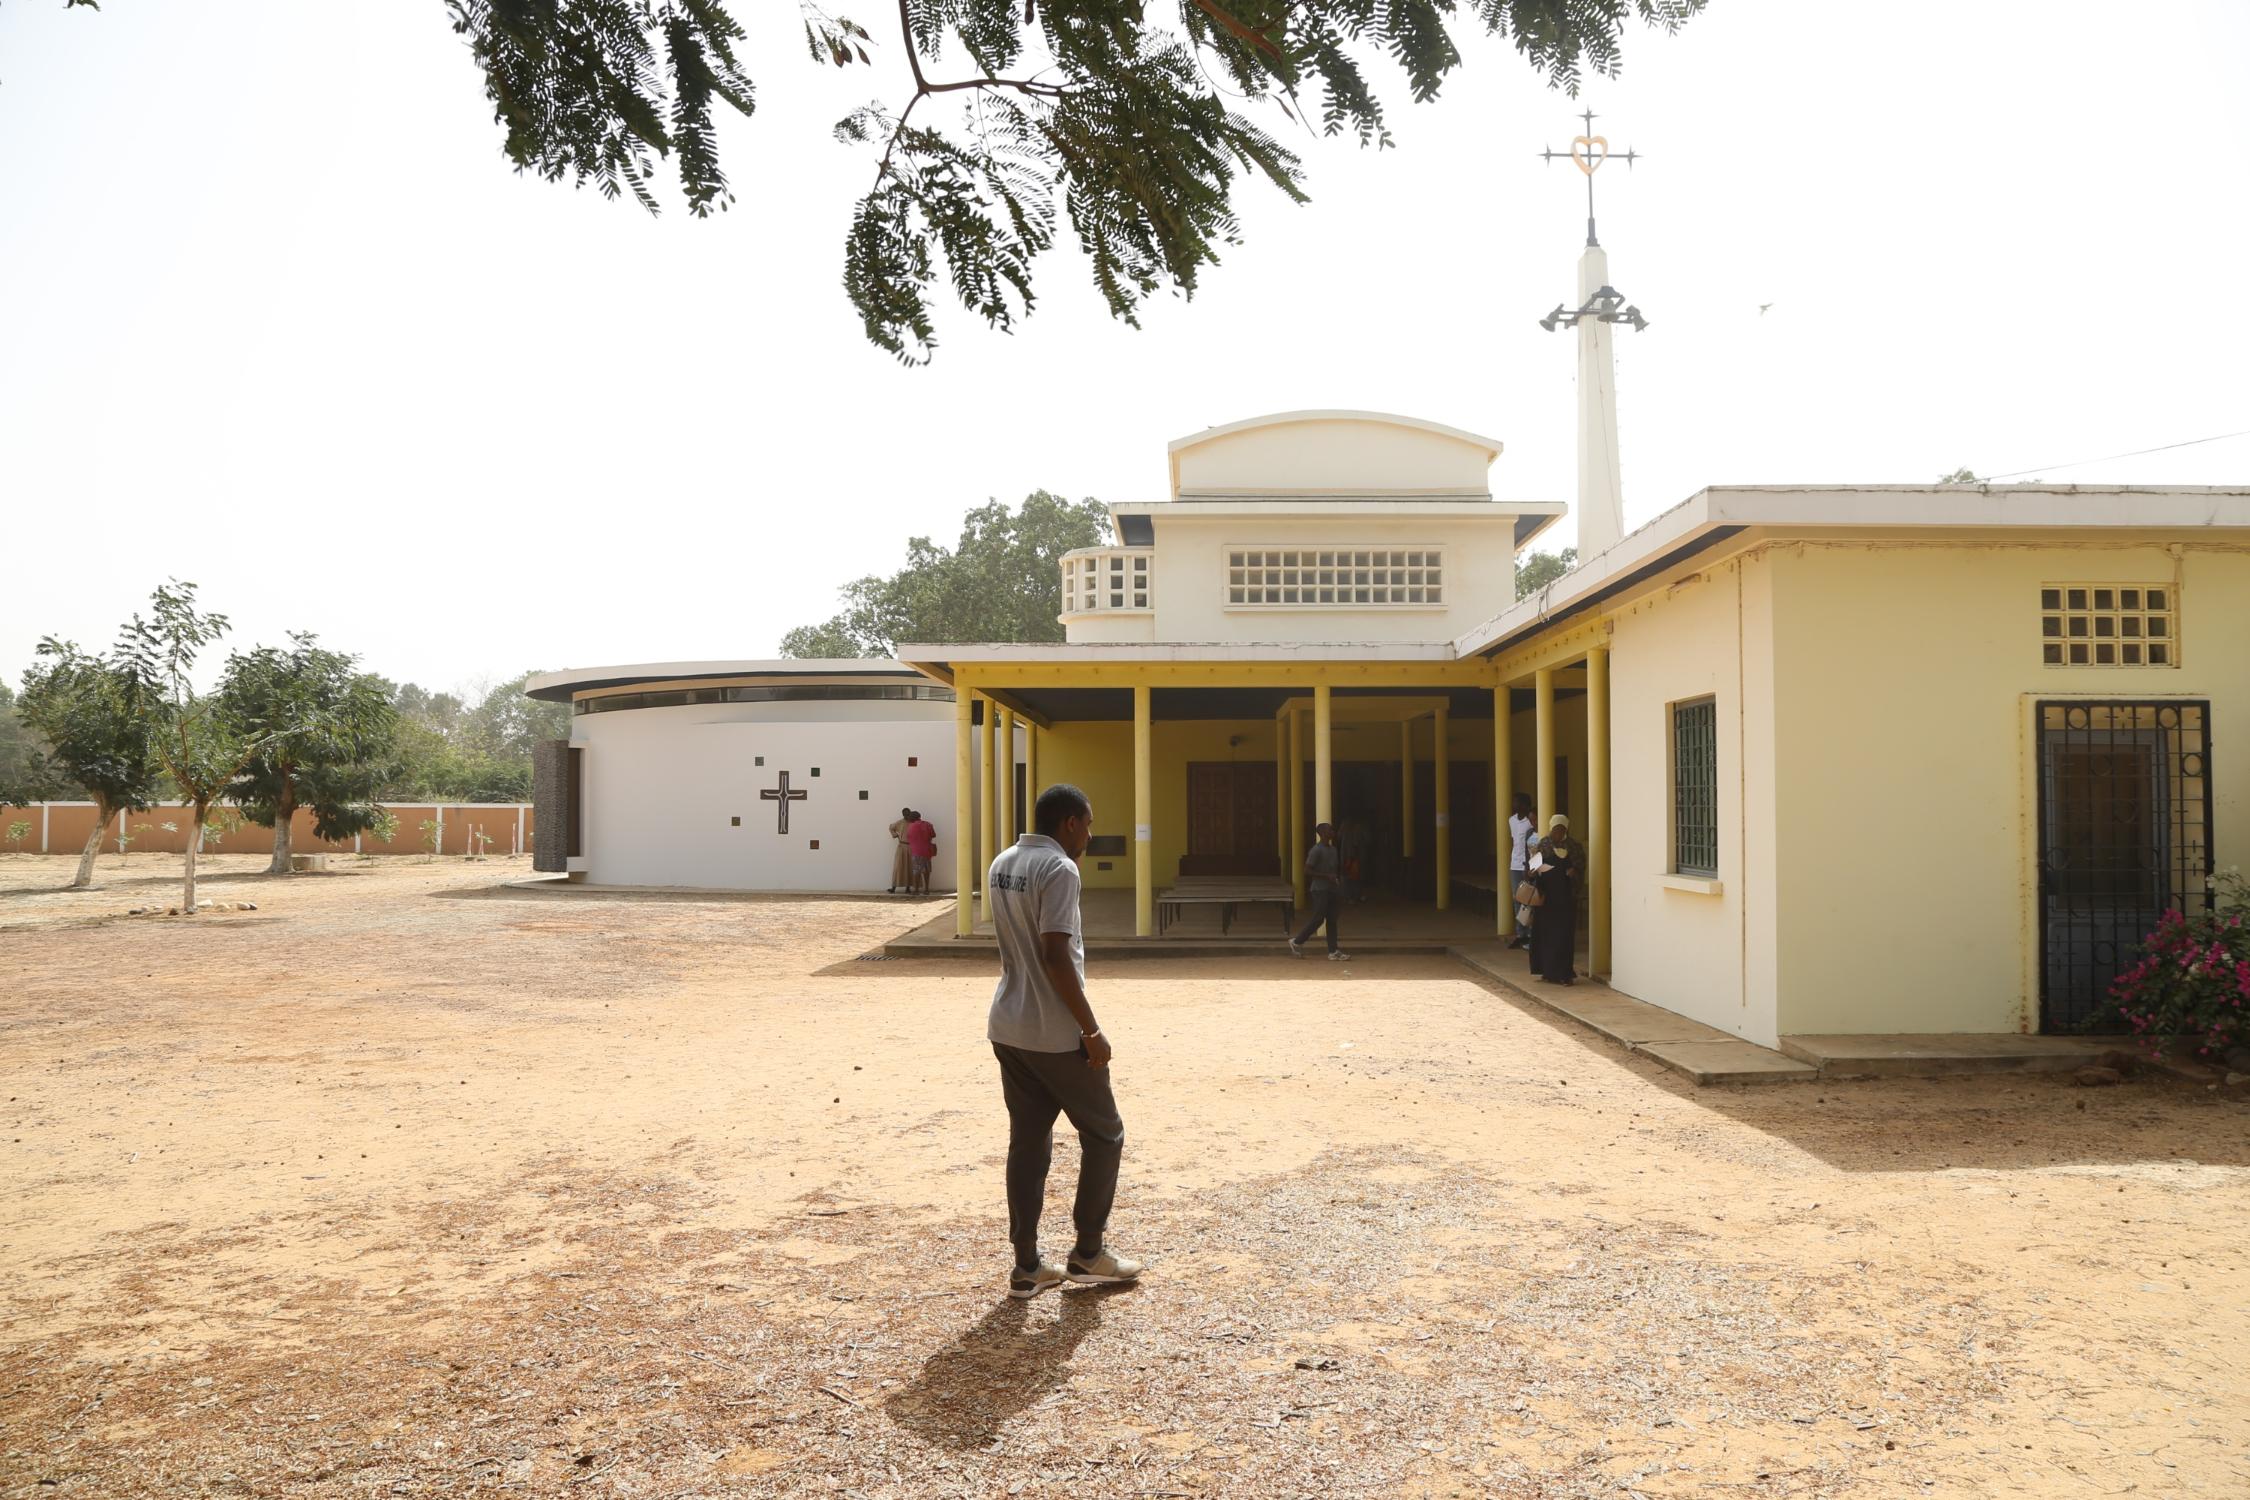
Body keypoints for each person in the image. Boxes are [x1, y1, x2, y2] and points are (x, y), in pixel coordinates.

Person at [986, 782, 1143, 1299]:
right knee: (1105, 1133)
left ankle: (1028, 1266)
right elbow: (1056, 954)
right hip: (1054, 1033)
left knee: (1028, 1144)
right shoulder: (1060, 869)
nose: (1091, 835)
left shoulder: (1003, 861)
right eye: (1089, 824)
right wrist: (1091, 1031)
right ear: (1070, 822)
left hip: (1009, 1025)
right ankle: (1088, 1253)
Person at [1530, 813, 1581, 985]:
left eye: (1562, 829)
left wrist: (1574, 873)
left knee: (1563, 936)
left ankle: (1564, 973)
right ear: (1551, 829)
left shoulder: (1573, 846)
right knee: (1545, 935)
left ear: (1566, 830)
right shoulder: (1544, 844)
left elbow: (1580, 866)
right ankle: (1547, 971)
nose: (1558, 833)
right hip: (1547, 899)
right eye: (1555, 829)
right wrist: (1535, 869)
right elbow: (1532, 869)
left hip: (1565, 899)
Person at [1288, 821, 1350, 961]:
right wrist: (1326, 876)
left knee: (1332, 920)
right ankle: (1297, 941)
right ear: (1322, 833)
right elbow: (1307, 870)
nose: (1332, 831)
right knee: (1318, 919)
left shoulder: (1333, 850)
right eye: (1329, 830)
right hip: (1320, 889)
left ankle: (1333, 951)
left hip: (1332, 889)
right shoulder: (1316, 850)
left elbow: (1334, 869)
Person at [1507, 793, 1537, 950]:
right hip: (1514, 864)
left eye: (1517, 802)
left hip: (1527, 866)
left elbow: (1532, 846)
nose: (1514, 804)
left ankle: (1530, 934)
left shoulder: (1531, 822)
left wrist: (1530, 866)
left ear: (1525, 805)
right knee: (1517, 899)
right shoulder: (1511, 820)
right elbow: (1514, 842)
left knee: (1528, 900)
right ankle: (1521, 934)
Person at [905, 810, 937, 896]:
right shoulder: (928, 824)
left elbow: (908, 837)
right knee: (926, 871)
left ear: (912, 818)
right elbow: (933, 835)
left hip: (916, 851)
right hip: (927, 851)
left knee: (917, 871)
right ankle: (926, 889)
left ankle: (916, 890)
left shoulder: (911, 826)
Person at [886, 806, 914, 893]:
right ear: (903, 814)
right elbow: (891, 827)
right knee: (898, 867)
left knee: (910, 866)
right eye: (905, 814)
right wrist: (895, 835)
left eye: (908, 814)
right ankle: (893, 887)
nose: (906, 816)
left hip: (911, 847)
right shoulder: (900, 822)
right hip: (902, 846)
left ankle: (908, 888)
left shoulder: (914, 823)